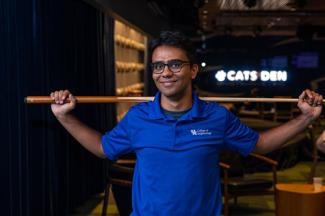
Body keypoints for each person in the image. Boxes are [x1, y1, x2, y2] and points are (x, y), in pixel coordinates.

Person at [50, 31, 323, 216]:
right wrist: (65, 116)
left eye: (175, 64)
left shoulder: (217, 117)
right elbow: (102, 147)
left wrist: (305, 118)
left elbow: (260, 144)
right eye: (158, 66)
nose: (166, 72)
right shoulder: (138, 117)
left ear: (193, 70)